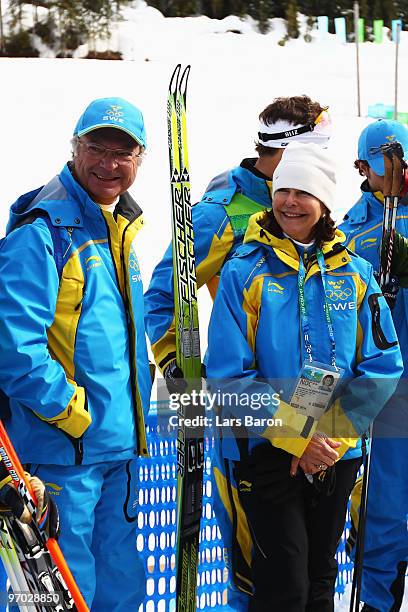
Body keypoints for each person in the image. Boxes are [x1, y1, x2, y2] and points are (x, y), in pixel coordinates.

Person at [144, 95, 333, 606]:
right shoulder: (224, 211)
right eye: (317, 145)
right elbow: (163, 296)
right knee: (261, 572)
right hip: (253, 418)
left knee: (313, 573)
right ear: (286, 147)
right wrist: (185, 373)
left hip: (318, 418)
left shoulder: (313, 204)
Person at [205, 142, 403, 611]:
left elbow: (383, 362)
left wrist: (329, 436)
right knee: (282, 584)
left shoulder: (354, 273)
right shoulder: (245, 271)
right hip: (267, 452)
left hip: (336, 451)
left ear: (324, 202)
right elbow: (228, 378)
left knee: (319, 581)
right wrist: (300, 437)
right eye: (283, 189)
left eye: (303, 192)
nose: (290, 202)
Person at [0, 97, 152, 611]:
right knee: (59, 591)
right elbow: (15, 349)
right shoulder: (43, 233)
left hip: (118, 451)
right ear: (74, 147)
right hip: (61, 454)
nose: (109, 163)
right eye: (97, 148)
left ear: (140, 159)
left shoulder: (119, 228)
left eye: (123, 152)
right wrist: (71, 412)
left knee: (119, 586)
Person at [340, 119, 408, 612]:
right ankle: (376, 600)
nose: (388, 176)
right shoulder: (354, 228)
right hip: (388, 390)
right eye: (377, 167)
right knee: (383, 505)